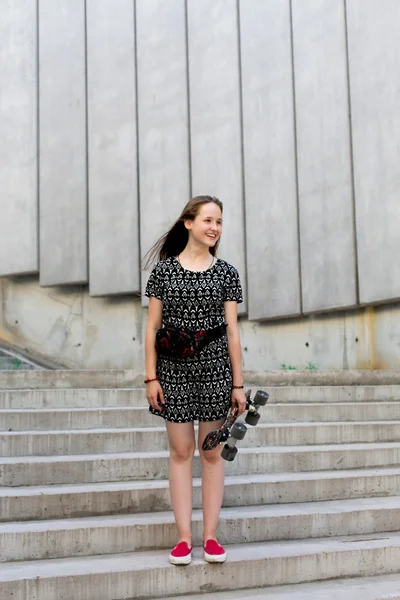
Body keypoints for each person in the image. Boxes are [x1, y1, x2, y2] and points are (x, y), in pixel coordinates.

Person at [144, 195, 246, 565]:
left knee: (212, 452)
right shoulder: (164, 272)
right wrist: (150, 377)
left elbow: (233, 332)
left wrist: (238, 384)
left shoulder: (227, 273)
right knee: (181, 452)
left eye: (219, 221)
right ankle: (184, 539)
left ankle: (211, 538)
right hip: (172, 370)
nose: (215, 227)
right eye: (208, 220)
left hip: (216, 370)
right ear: (188, 223)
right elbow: (152, 327)